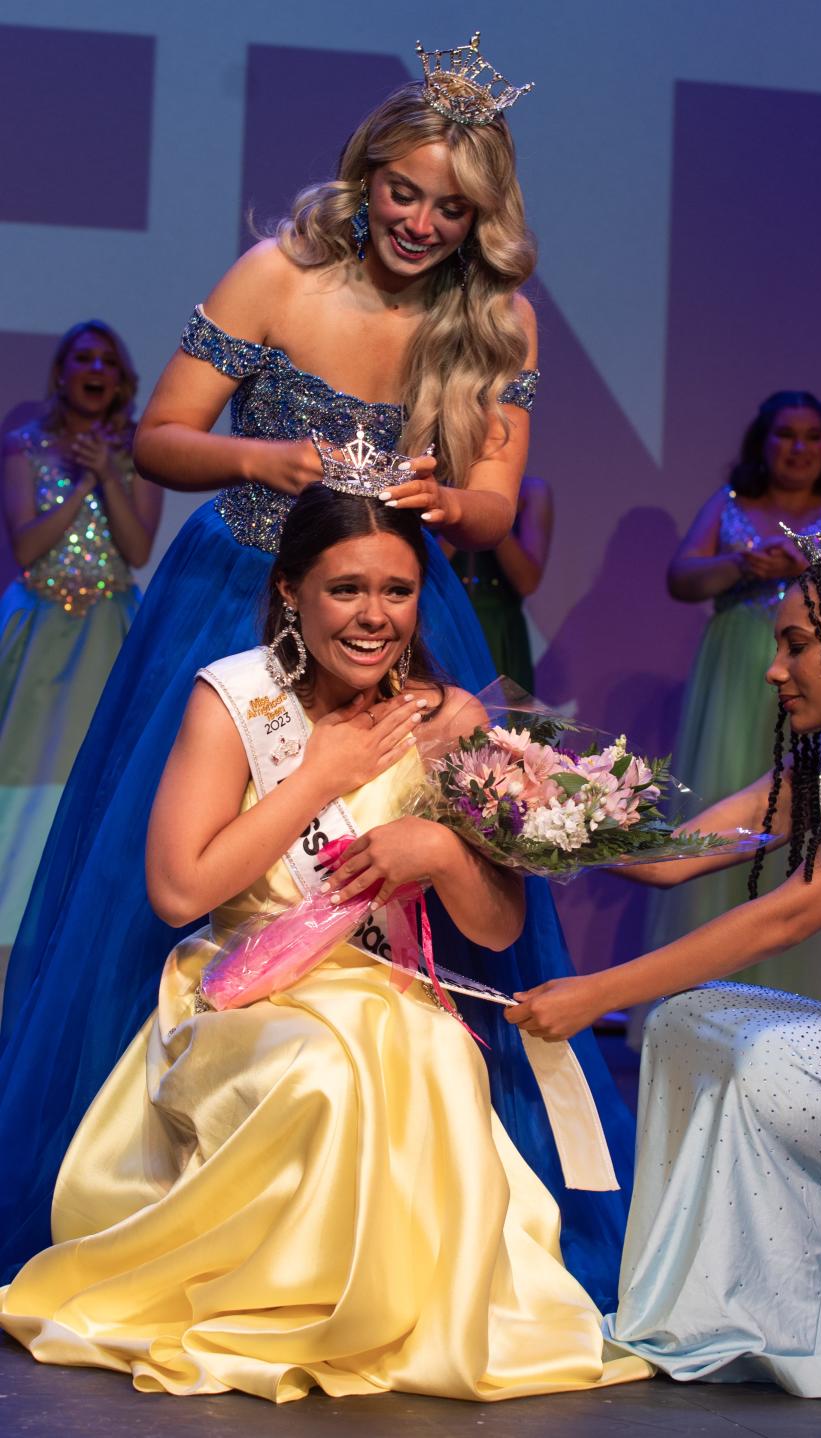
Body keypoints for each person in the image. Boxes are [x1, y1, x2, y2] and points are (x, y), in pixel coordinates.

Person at [0, 45, 635, 1308]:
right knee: (178, 878)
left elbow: (500, 497)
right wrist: (264, 459)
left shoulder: (493, 319)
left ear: (481, 220)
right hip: (233, 581)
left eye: (450, 209)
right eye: (404, 192)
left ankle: (433, 1209)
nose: (420, 222)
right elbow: (160, 436)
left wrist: (451, 497)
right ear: (367, 174)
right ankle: (146, 1183)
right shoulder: (277, 274)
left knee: (423, 849)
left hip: (398, 589)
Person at [0, 484, 649, 1403]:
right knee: (320, 1070)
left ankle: (396, 1314)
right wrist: (318, 778)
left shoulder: (451, 718)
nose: (373, 615)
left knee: (432, 1047)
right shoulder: (236, 699)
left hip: (389, 989)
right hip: (248, 989)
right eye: (346, 589)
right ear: (293, 590)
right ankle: (280, 1311)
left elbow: (500, 926)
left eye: (397, 589)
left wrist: (444, 857)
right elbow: (178, 886)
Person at [507, 503, 821, 1397]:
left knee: (776, 1059)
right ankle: (700, 1303)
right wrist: (532, 812)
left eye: (794, 645)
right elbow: (680, 858)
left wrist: (599, 991)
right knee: (684, 1025)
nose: (771, 668)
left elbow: (787, 917)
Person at [635, 390, 821, 1022]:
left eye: (812, 436)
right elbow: (682, 577)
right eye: (786, 435)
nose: (799, 448)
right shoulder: (733, 505)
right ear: (763, 442)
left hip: (817, 675)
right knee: (732, 802)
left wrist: (810, 566)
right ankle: (704, 996)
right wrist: (741, 564)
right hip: (739, 673)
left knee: (809, 815)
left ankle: (802, 1001)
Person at [0, 321, 161, 991]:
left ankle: (75, 924)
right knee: (22, 773)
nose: (95, 368)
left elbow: (137, 550)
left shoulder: (138, 455)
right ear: (63, 373)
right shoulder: (23, 449)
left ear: (120, 380)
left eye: (107, 359)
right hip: (37, 630)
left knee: (92, 778)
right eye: (82, 357)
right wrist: (77, 485)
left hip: (108, 629)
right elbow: (30, 547)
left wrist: (109, 476)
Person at [449, 473, 553, 692]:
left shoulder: (530, 490)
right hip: (444, 622)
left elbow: (527, 582)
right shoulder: (432, 482)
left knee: (503, 723)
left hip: (498, 630)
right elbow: (419, 570)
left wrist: (494, 516)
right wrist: (459, 507)